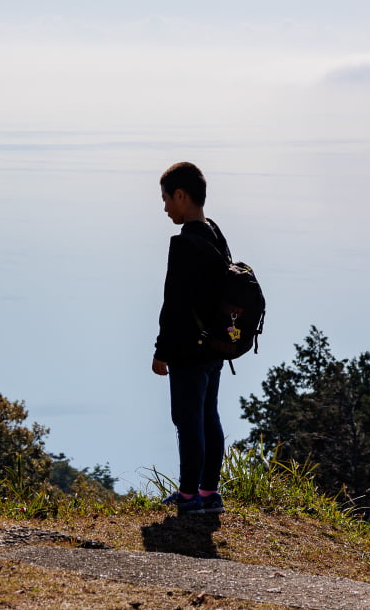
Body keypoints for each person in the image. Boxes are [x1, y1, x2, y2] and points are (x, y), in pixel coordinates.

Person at [152, 162, 229, 515]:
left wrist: (160, 352)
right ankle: (208, 491)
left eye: (167, 198)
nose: (165, 206)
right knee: (208, 417)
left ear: (181, 195)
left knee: (187, 421)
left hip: (187, 349)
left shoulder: (184, 244)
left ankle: (188, 496)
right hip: (214, 345)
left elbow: (174, 303)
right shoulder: (214, 233)